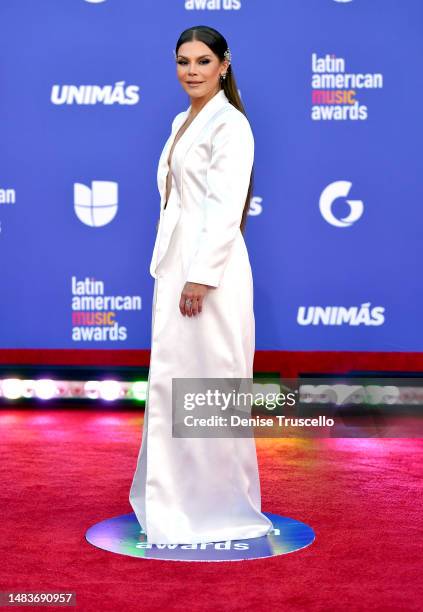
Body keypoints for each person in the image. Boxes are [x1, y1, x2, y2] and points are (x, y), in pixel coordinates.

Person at [129, 25, 273, 545]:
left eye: (203, 61)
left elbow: (226, 206)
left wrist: (201, 277)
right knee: (172, 383)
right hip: (175, 267)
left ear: (223, 66)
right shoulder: (180, 120)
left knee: (208, 387)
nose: (192, 70)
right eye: (183, 61)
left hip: (207, 274)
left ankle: (215, 507)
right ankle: (175, 502)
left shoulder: (231, 126)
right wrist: (179, 272)